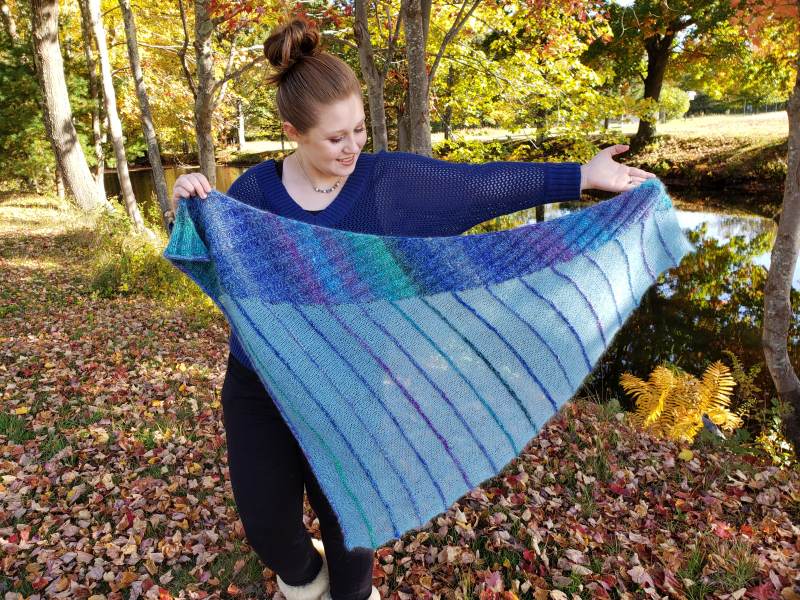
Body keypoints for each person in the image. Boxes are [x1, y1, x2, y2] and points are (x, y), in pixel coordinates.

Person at [170, 17, 655, 600]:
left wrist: (582, 176)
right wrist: (189, 205)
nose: (353, 147)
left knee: (351, 528)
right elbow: (215, 259)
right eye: (335, 138)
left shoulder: (387, 184)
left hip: (352, 387)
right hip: (262, 385)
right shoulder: (254, 193)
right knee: (268, 529)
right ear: (293, 132)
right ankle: (303, 580)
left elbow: (480, 187)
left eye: (359, 130)